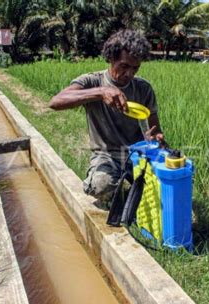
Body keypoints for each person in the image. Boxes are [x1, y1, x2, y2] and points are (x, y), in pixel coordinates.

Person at [49, 29, 165, 203]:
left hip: (138, 153)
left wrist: (157, 139)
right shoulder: (92, 82)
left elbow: (155, 129)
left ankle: (132, 185)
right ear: (111, 58)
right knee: (101, 186)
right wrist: (100, 93)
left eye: (135, 68)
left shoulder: (143, 88)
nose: (129, 74)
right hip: (107, 155)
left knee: (165, 186)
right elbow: (56, 102)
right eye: (124, 66)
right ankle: (117, 185)